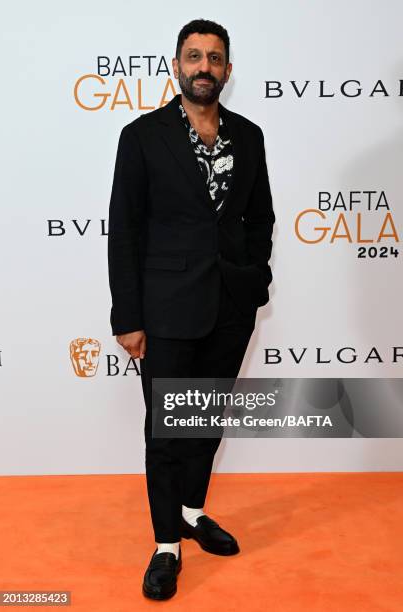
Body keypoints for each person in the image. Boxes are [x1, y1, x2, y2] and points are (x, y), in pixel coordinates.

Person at [107, 18, 275, 600]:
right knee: (167, 430)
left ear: (228, 70)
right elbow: (123, 231)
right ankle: (165, 545)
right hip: (166, 309)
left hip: (231, 306)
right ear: (176, 65)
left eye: (215, 58)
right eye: (194, 56)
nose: (204, 67)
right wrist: (127, 317)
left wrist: (257, 280)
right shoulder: (143, 136)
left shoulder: (249, 136)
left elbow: (262, 218)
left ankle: (192, 512)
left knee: (206, 423)